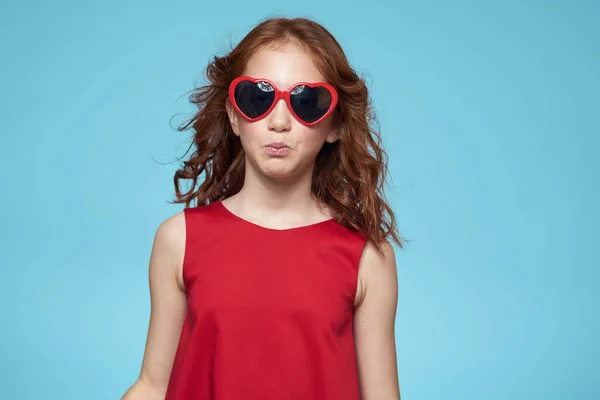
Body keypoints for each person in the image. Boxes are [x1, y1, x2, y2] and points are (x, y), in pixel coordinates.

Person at [121, 16, 405, 400]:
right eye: (259, 97)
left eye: (306, 103)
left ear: (335, 126)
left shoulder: (369, 257)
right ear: (235, 115)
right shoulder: (179, 240)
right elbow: (153, 386)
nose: (279, 121)